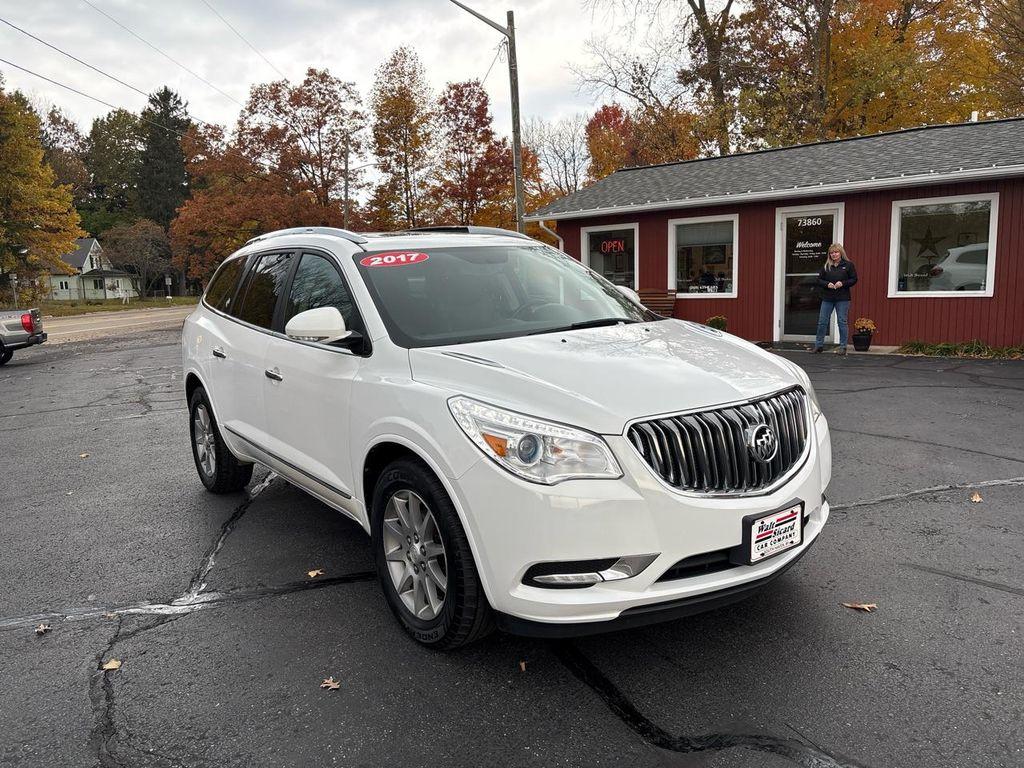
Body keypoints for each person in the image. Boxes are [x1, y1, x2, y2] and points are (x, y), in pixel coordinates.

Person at [814, 243, 857, 355]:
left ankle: (843, 347)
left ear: (841, 253)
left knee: (842, 322)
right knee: (822, 322)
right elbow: (819, 280)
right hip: (827, 298)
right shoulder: (826, 266)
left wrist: (842, 283)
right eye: (832, 253)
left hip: (842, 298)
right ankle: (819, 346)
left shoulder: (848, 265)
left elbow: (854, 279)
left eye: (836, 252)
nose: (834, 254)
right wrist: (827, 284)